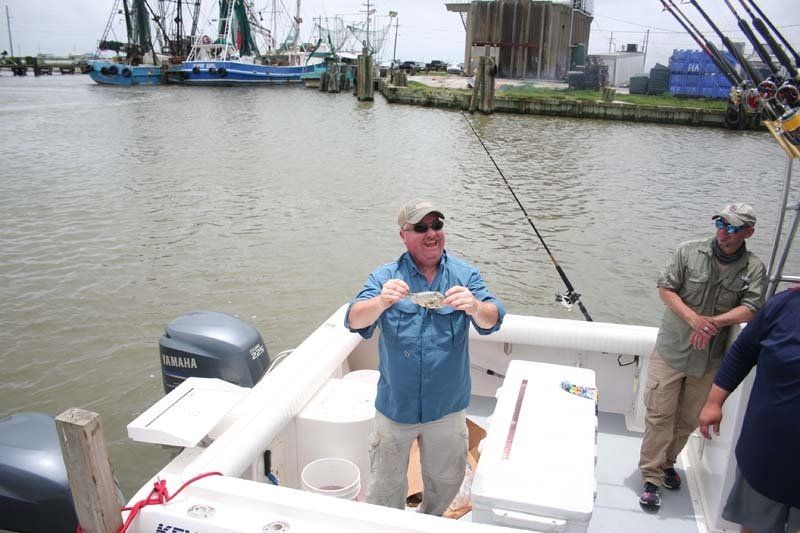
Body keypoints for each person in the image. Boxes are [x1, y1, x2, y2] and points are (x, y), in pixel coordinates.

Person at [345, 199, 505, 516]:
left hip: (447, 407)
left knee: (447, 481)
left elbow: (493, 318)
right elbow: (354, 319)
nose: (431, 233)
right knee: (384, 489)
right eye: (421, 227)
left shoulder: (465, 275)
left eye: (437, 225)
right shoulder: (385, 277)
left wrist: (474, 306)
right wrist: (380, 302)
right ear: (404, 235)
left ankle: (428, 521)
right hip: (395, 407)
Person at [638, 203, 766, 511]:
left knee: (688, 419)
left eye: (733, 227)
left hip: (708, 359)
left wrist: (713, 323)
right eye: (721, 223)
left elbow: (751, 307)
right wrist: (693, 319)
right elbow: (666, 289)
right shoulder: (688, 252)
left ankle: (668, 463)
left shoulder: (753, 269)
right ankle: (651, 477)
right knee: (659, 415)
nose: (724, 232)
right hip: (671, 349)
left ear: (748, 232)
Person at [698, 287, 800, 533]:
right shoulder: (785, 304)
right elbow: (743, 350)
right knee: (753, 525)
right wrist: (714, 401)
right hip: (765, 455)